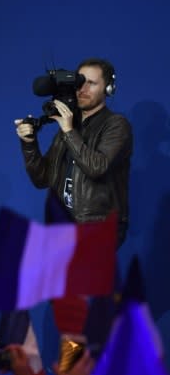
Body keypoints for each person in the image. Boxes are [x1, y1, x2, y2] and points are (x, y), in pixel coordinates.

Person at [14, 58, 132, 245]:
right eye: (80, 81)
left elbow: (97, 167)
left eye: (91, 83)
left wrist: (69, 131)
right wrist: (29, 144)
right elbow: (42, 178)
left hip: (97, 230)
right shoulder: (71, 124)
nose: (82, 89)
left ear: (108, 88)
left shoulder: (116, 125)